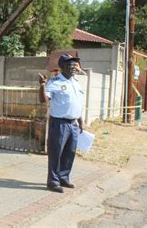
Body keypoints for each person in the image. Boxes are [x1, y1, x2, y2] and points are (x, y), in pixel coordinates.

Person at [38, 53, 84, 193]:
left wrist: (80, 121)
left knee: (69, 153)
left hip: (73, 124)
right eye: (70, 65)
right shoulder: (55, 82)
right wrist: (42, 85)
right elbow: (43, 99)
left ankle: (64, 177)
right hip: (59, 123)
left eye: (75, 65)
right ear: (62, 67)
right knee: (56, 154)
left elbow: (77, 103)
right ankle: (53, 182)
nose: (73, 67)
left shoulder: (76, 82)